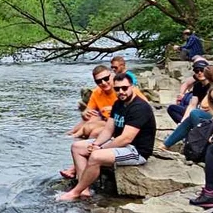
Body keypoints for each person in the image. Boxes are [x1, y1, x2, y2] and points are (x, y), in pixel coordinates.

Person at [58, 73, 156, 202]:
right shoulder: (118, 104)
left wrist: (100, 150)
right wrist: (96, 144)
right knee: (77, 147)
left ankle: (76, 192)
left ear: (132, 87)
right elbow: (108, 130)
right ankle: (85, 188)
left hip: (136, 151)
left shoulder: (140, 107)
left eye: (124, 88)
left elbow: (126, 138)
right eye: (117, 89)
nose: (121, 92)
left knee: (96, 156)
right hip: (121, 145)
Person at [164, 62, 213, 149]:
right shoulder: (197, 85)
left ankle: (195, 136)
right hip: (203, 113)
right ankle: (167, 143)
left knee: (194, 114)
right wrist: (182, 121)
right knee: (176, 109)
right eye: (197, 71)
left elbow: (205, 105)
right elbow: (192, 104)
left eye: (202, 71)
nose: (199, 73)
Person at [66, 65, 117, 142]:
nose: (103, 83)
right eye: (99, 81)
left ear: (112, 75)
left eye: (106, 79)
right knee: (92, 116)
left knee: (94, 132)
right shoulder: (97, 92)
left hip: (120, 122)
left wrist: (114, 109)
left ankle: (81, 140)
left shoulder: (122, 89)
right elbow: (87, 113)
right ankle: (73, 134)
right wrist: (84, 113)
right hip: (105, 120)